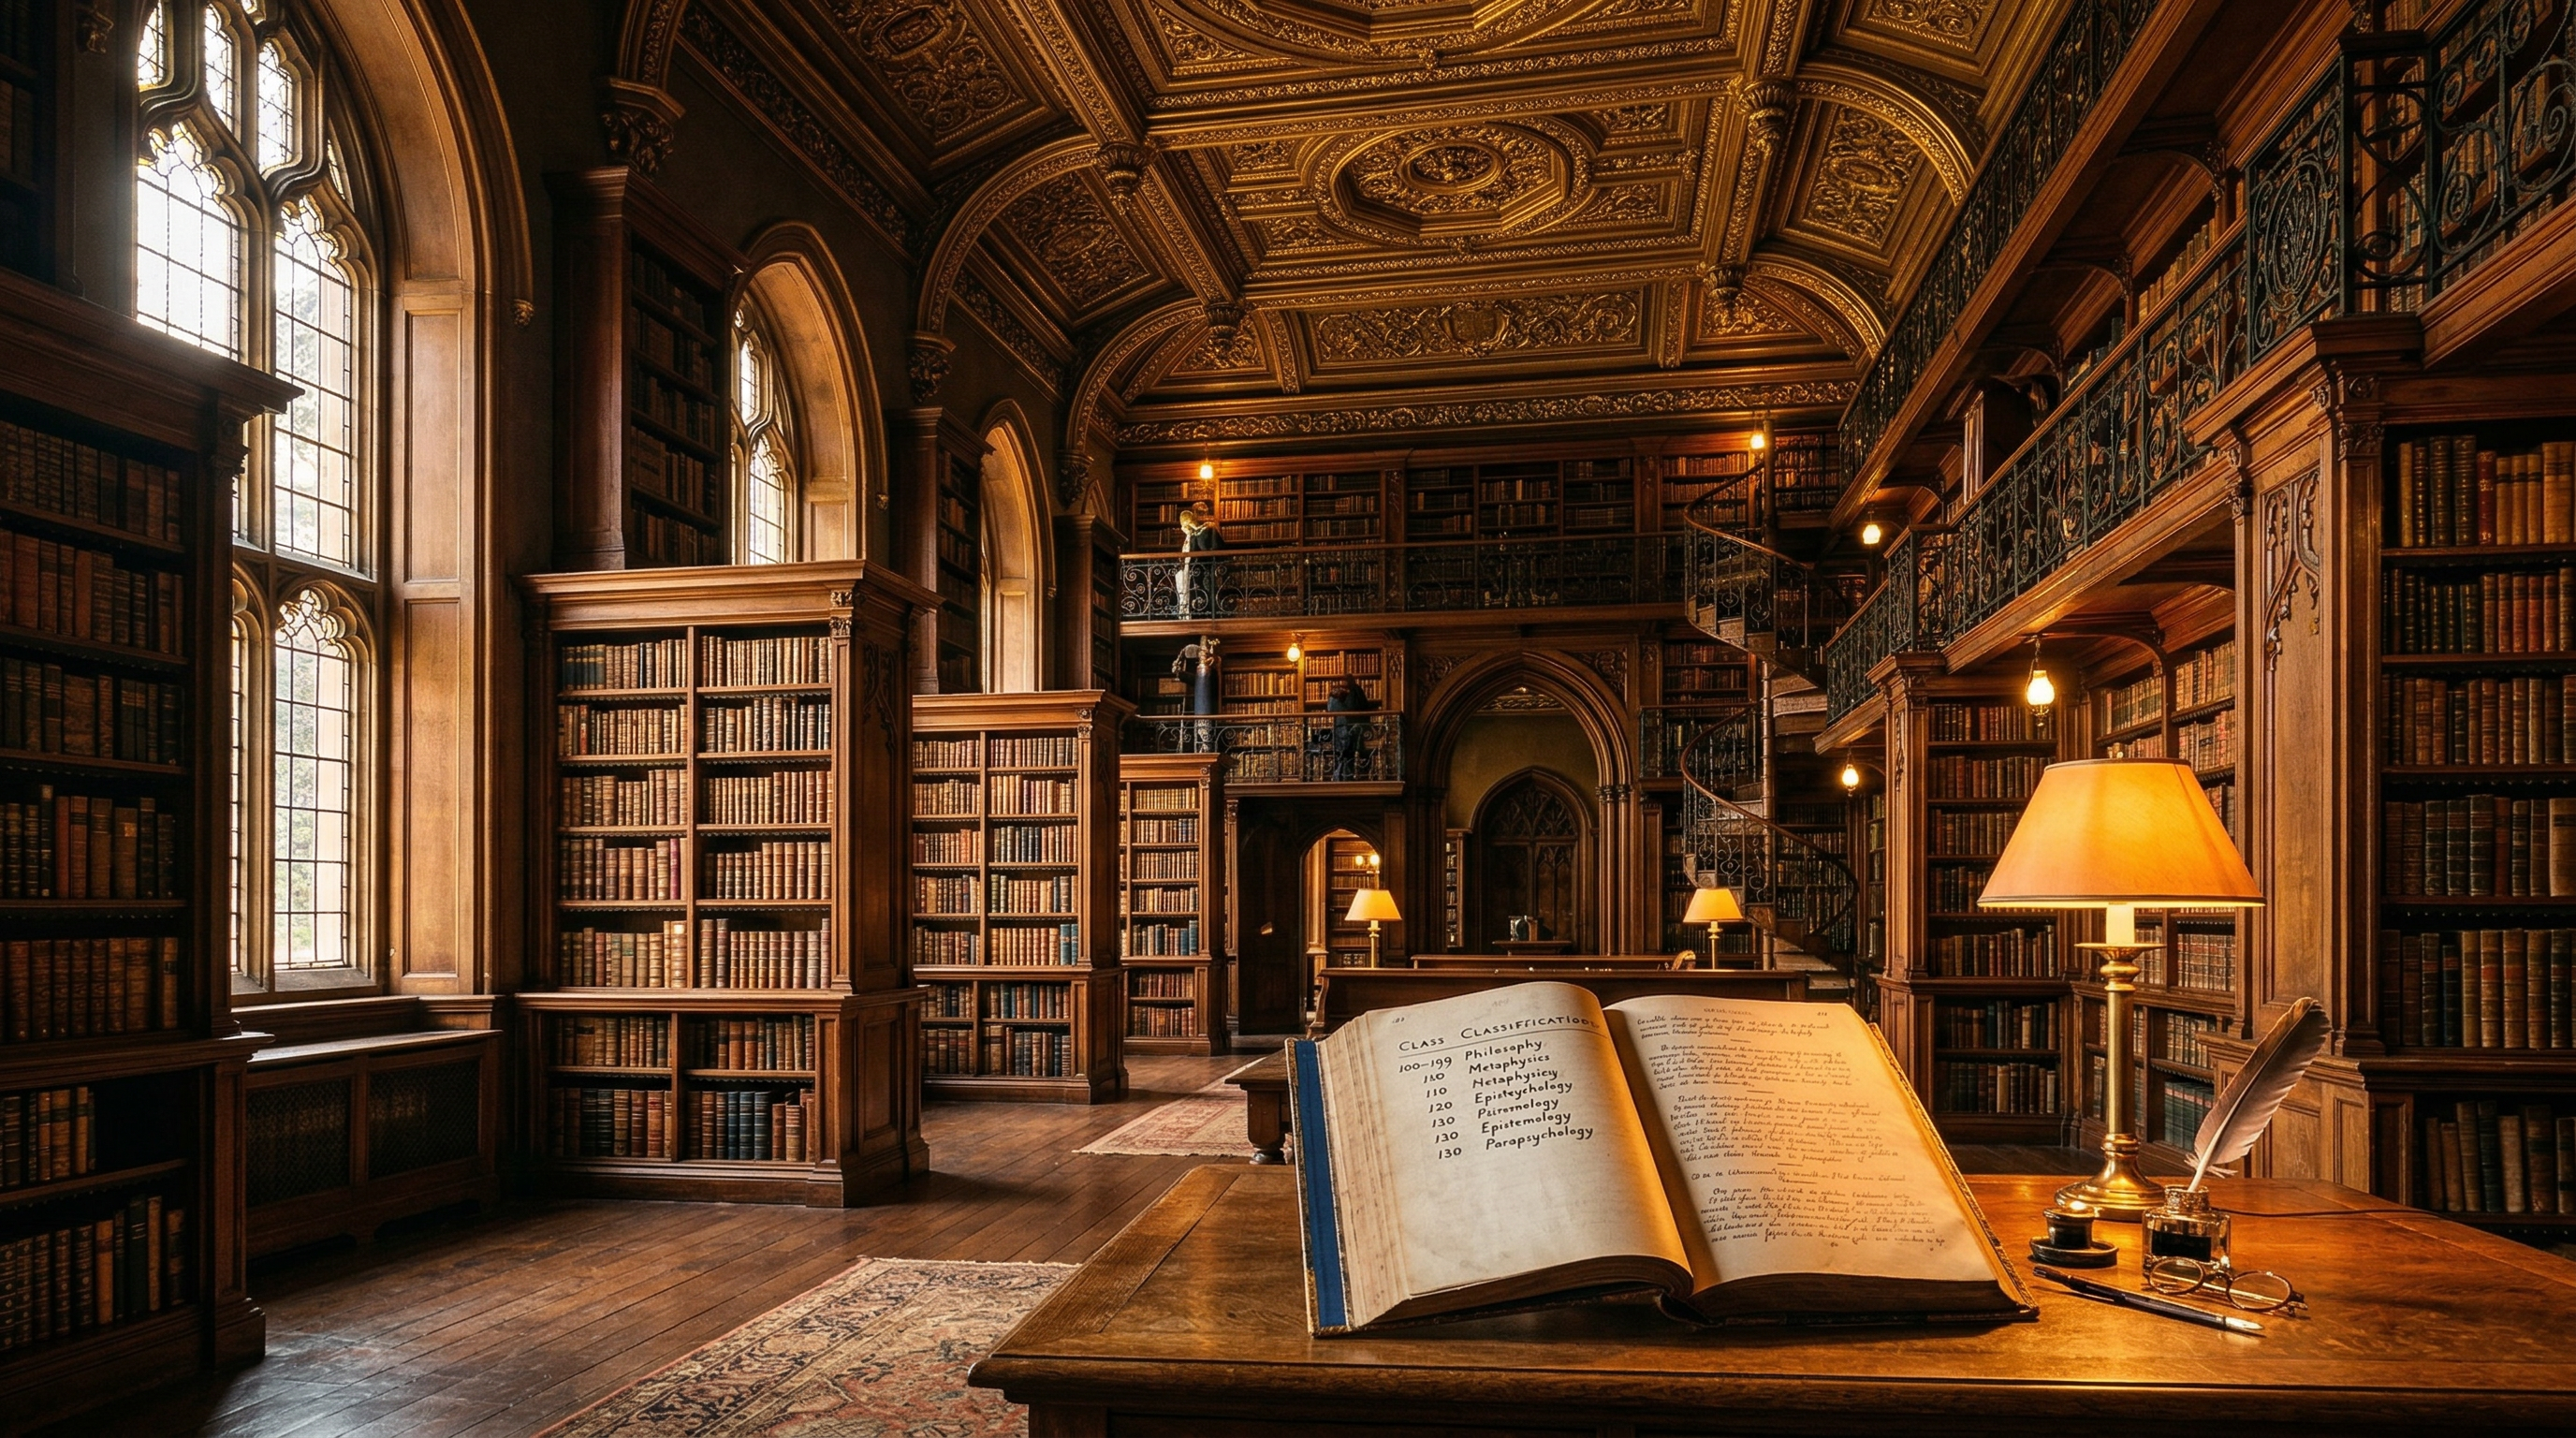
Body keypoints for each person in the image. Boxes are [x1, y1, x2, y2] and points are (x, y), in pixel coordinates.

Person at [1173, 637, 1221, 754]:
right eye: (1201, 655)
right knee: (1200, 739)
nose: (1202, 657)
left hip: (1208, 715)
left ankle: (1204, 746)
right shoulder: (1201, 674)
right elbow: (1181, 674)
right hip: (1200, 716)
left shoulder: (1211, 673)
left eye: (1205, 655)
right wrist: (1180, 659)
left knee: (1205, 738)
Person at [1175, 503, 1222, 618]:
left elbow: (1206, 548)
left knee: (1206, 597)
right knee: (1195, 599)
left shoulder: (1208, 530)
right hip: (1193, 574)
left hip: (1205, 571)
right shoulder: (1192, 535)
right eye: (1198, 512)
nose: (1201, 515)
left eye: (1202, 512)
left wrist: (1196, 531)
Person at [1325, 673, 1373, 780]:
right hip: (1345, 727)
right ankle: (1342, 776)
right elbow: (1332, 709)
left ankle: (1345, 777)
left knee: (1348, 754)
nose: (1343, 684)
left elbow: (1354, 708)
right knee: (1343, 754)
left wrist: (1339, 696)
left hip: (1350, 727)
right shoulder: (1346, 692)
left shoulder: (1355, 691)